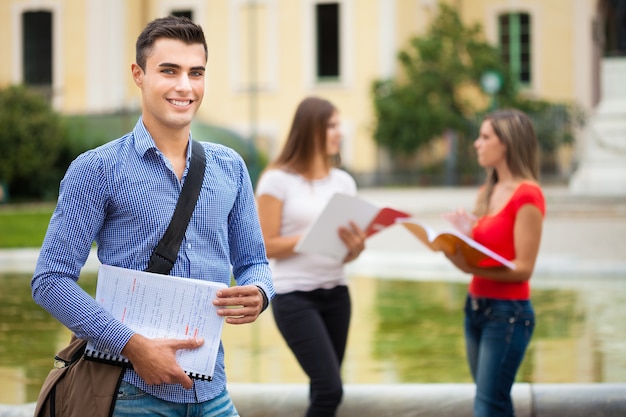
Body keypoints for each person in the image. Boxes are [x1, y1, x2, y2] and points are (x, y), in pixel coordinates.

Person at [31, 15, 274, 417]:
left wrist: (260, 292)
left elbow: (255, 263)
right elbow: (49, 281)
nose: (185, 86)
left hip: (213, 393)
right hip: (132, 395)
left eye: (196, 73)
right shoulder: (97, 169)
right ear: (138, 75)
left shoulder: (230, 166)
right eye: (169, 71)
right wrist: (132, 345)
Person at [255, 96, 366, 417]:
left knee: (324, 389)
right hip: (294, 297)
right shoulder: (276, 180)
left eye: (338, 126)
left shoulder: (344, 182)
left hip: (337, 294)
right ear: (310, 129)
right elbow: (264, 245)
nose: (339, 132)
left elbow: (344, 254)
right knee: (331, 388)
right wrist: (312, 236)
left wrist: (355, 247)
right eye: (331, 125)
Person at [441, 109, 545, 417]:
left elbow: (524, 268)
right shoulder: (487, 192)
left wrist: (468, 265)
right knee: (490, 402)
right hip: (475, 307)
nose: (477, 144)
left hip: (507, 314)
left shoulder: (528, 195)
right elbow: (481, 254)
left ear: (508, 143)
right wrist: (460, 239)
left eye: (485, 137)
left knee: (488, 406)